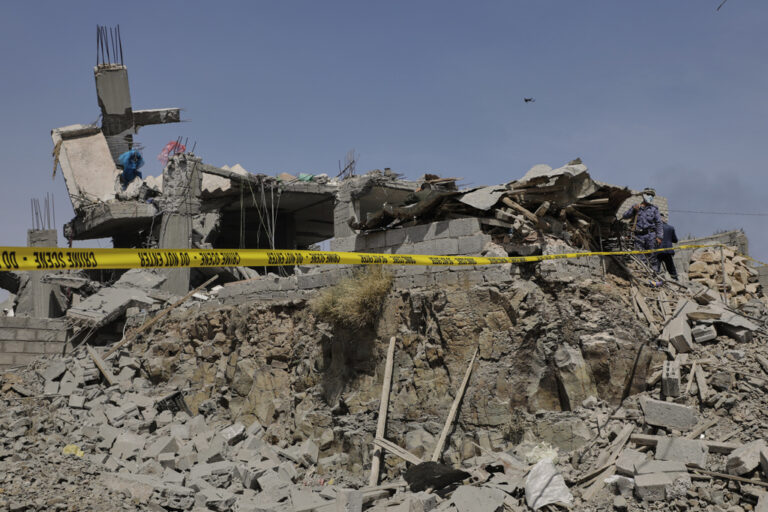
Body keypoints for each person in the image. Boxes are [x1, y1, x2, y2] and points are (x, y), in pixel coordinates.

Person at [622, 188, 663, 273]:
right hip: (638, 236)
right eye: (648, 194)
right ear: (643, 195)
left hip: (650, 236)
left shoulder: (654, 209)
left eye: (652, 195)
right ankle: (644, 273)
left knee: (652, 257)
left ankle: (655, 275)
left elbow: (659, 223)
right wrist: (633, 209)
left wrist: (659, 237)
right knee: (640, 256)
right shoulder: (636, 207)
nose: (650, 196)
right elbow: (625, 216)